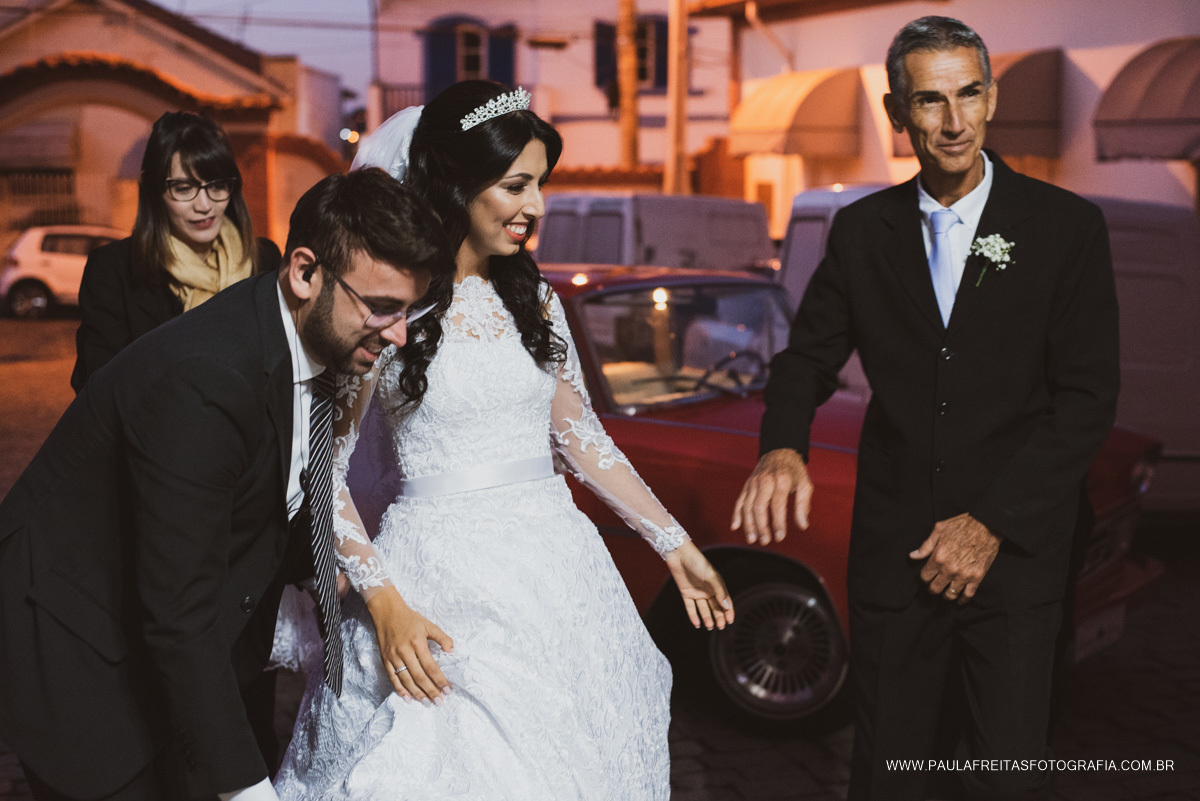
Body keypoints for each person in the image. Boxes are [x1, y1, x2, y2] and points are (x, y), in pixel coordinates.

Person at [271, 81, 733, 800]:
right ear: (457, 183)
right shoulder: (394, 306)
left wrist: (673, 542)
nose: (537, 207)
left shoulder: (535, 299)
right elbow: (322, 465)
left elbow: (583, 438)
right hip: (437, 583)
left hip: (557, 577)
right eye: (517, 185)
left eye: (540, 184)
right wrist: (384, 600)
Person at [732, 16, 1119, 801]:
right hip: (896, 558)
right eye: (931, 100)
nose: (953, 121)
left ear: (993, 96)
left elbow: (1087, 399)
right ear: (896, 110)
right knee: (890, 771)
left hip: (1015, 561)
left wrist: (990, 523)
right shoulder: (860, 231)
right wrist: (782, 445)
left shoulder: (1065, 227)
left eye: (969, 94)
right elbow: (806, 357)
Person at [0, 169, 453, 801]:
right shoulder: (206, 382)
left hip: (163, 637)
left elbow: (273, 496)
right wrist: (248, 791)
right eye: (381, 308)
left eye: (411, 311)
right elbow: (177, 614)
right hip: (76, 645)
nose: (399, 335)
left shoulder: (312, 341)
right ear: (304, 273)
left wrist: (364, 587)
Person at [71, 110, 282, 392]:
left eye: (217, 186)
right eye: (184, 188)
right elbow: (97, 389)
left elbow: (281, 374)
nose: (204, 205)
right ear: (154, 190)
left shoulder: (263, 259)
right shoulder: (113, 270)